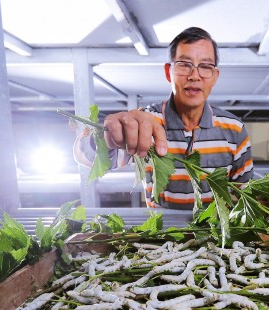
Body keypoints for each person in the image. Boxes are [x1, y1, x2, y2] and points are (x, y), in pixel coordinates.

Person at [103, 27, 253, 209]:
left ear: (214, 76)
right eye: (184, 64)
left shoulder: (234, 128)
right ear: (168, 72)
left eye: (205, 66)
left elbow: (245, 192)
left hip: (215, 234)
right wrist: (105, 134)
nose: (194, 76)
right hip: (160, 232)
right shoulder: (147, 122)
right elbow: (94, 158)